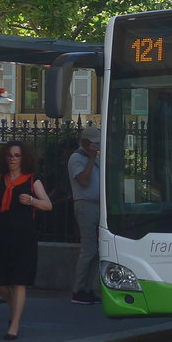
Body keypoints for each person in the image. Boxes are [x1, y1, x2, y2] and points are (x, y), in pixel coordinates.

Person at [0, 141, 51, 339]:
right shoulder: (0, 182)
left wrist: (32, 201)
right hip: (3, 236)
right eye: (10, 155)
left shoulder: (32, 181)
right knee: (0, 282)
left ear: (24, 158)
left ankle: (14, 326)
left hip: (24, 237)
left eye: (17, 155)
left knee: (19, 282)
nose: (13, 159)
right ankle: (15, 310)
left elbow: (48, 205)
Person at [68, 126, 102, 304]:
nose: (96, 148)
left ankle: (88, 288)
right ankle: (78, 289)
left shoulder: (93, 158)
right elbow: (83, 180)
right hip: (86, 205)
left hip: (97, 205)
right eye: (93, 144)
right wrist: (91, 159)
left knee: (97, 252)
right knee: (88, 250)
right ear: (86, 143)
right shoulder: (77, 158)